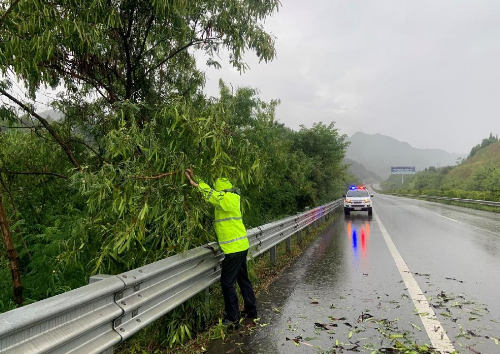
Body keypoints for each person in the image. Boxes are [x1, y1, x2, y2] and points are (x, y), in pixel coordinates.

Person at [185, 169, 258, 326]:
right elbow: (212, 195)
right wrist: (195, 178)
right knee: (243, 279)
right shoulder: (227, 200)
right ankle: (251, 310)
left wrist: (198, 185)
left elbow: (212, 195)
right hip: (239, 247)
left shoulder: (229, 199)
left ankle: (232, 318)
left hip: (234, 249)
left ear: (222, 190)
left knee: (227, 283)